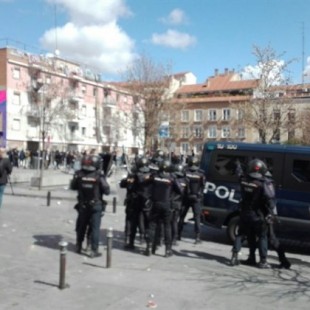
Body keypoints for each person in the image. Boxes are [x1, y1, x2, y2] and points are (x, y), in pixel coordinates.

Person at [230, 158, 271, 268]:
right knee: (262, 236)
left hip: (245, 213)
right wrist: (270, 214)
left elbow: (239, 174)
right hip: (258, 215)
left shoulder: (243, 180)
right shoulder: (263, 183)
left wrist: (238, 165)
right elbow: (269, 199)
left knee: (242, 234)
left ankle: (235, 257)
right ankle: (263, 261)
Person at [70, 154, 110, 258]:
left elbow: (73, 186)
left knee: (81, 226)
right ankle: (93, 250)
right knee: (95, 228)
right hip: (95, 205)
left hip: (83, 204)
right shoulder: (98, 176)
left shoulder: (79, 174)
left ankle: (78, 246)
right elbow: (107, 191)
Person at [145, 159, 182, 257]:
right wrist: (171, 198)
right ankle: (167, 250)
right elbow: (180, 191)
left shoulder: (154, 176)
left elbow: (146, 184)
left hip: (155, 203)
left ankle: (149, 248)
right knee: (167, 227)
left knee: (152, 225)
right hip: (166, 204)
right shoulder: (172, 178)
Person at [178, 156, 205, 243]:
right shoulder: (201, 174)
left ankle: (178, 234)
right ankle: (197, 237)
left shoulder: (185, 172)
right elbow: (203, 186)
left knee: (182, 216)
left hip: (186, 197)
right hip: (196, 198)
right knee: (197, 218)